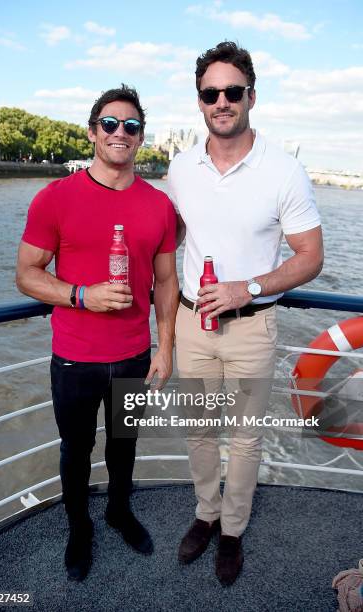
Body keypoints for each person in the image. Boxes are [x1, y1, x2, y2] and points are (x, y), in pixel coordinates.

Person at [167, 42, 324, 586]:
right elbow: (175, 237)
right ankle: (205, 514)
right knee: (200, 430)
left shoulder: (284, 170)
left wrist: (248, 287)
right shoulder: (181, 166)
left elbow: (311, 257)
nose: (222, 101)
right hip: (191, 323)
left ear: (251, 97)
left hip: (252, 326)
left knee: (246, 436)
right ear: (200, 102)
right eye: (211, 93)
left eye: (233, 91)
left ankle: (232, 530)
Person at [16, 84, 178, 581]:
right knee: (76, 448)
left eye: (130, 125)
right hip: (74, 356)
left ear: (141, 138)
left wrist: (165, 347)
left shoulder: (158, 205)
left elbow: (167, 280)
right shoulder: (55, 197)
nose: (120, 133)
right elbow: (27, 273)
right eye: (109, 123)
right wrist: (82, 295)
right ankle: (79, 526)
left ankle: (119, 511)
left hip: (133, 353)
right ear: (92, 132)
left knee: (124, 443)